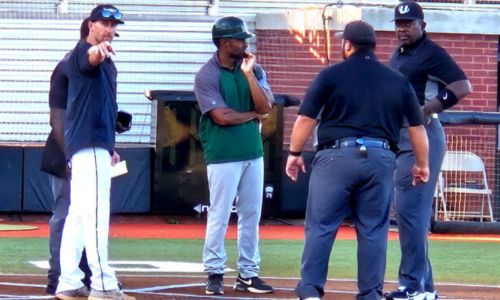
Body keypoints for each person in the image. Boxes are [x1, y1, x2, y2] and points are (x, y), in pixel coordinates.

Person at [285, 20, 430, 300]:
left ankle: (311, 289)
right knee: (374, 229)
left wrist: (294, 153)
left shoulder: (330, 75)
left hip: (335, 157)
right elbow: (417, 128)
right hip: (380, 158)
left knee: (322, 225)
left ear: (347, 45)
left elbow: (306, 118)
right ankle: (370, 293)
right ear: (374, 46)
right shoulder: (397, 80)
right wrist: (421, 164)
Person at [385, 2, 472, 300]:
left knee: (411, 212)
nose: (402, 28)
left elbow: (462, 86)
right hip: (402, 135)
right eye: (398, 23)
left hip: (423, 135)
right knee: (410, 212)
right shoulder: (399, 53)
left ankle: (411, 286)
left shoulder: (432, 52)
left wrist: (428, 109)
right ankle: (426, 288)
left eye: (408, 23)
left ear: (423, 24)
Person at [54, 4, 135, 300]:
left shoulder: (106, 58)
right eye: (104, 24)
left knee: (78, 215)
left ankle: (69, 281)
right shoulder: (81, 53)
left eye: (114, 26)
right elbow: (89, 59)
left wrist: (110, 145)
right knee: (97, 215)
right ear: (91, 24)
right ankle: (103, 285)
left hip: (94, 143)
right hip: (88, 145)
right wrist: (97, 51)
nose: (110, 30)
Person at [194, 16, 274, 296]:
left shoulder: (252, 67)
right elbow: (222, 116)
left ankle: (248, 274)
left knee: (252, 214)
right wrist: (253, 115)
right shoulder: (207, 74)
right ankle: (214, 272)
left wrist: (250, 74)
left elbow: (267, 104)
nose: (245, 43)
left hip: (252, 151)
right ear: (224, 42)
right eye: (240, 39)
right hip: (223, 153)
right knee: (219, 212)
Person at [41, 18, 93, 296]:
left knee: (87, 215)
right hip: (67, 153)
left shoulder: (92, 68)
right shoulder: (66, 68)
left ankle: (82, 273)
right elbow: (57, 119)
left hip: (86, 151)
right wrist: (70, 156)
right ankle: (58, 274)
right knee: (64, 214)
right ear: (90, 31)